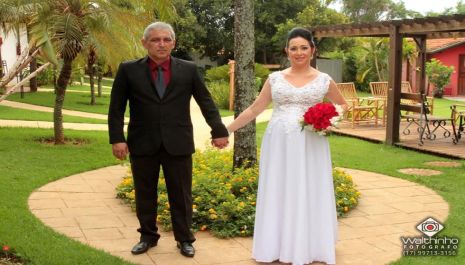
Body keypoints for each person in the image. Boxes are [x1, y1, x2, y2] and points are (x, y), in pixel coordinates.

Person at [226, 27, 348, 265]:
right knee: (279, 187)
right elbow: (254, 109)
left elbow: (343, 105)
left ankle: (310, 245)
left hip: (311, 142)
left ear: (313, 50)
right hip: (279, 143)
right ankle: (275, 245)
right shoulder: (275, 79)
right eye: (294, 48)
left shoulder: (324, 80)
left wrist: (328, 119)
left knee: (309, 187)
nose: (299, 52)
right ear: (287, 51)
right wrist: (226, 130)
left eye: (304, 47)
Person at [108, 21, 229, 257]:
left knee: (181, 194)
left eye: (166, 39)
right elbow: (116, 108)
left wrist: (219, 130)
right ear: (144, 43)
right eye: (155, 40)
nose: (161, 44)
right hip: (142, 141)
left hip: (178, 142)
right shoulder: (128, 70)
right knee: (144, 193)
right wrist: (117, 139)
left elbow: (206, 101)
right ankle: (147, 236)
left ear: (174, 43)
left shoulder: (189, 69)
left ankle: (184, 239)